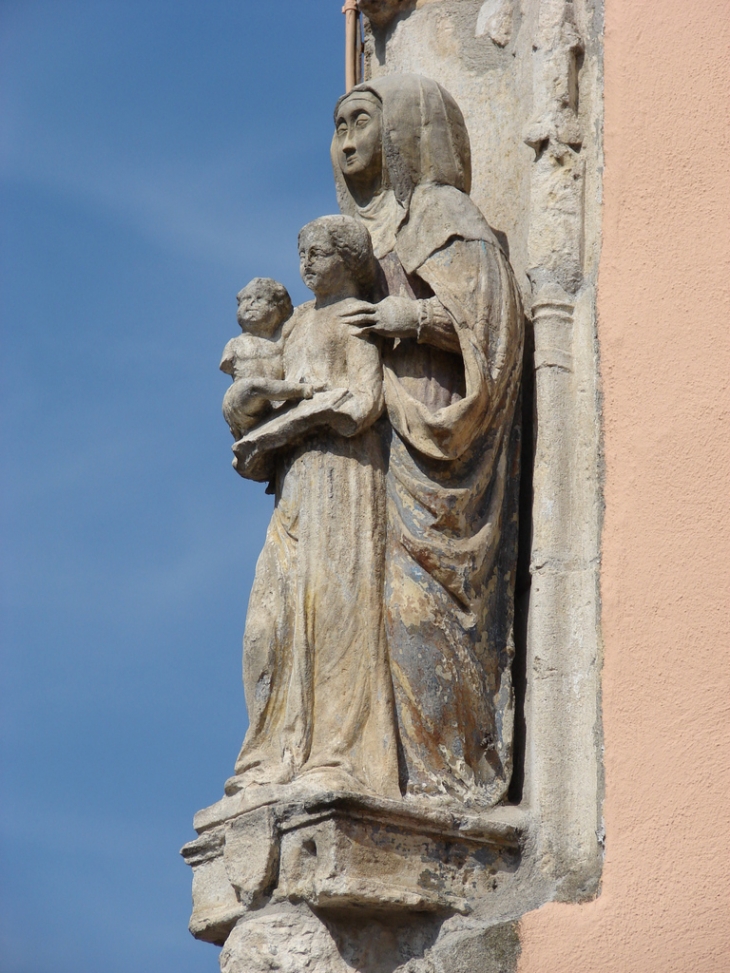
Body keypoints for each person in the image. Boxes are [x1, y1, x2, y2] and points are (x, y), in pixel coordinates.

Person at [328, 74, 525, 808]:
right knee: (366, 611)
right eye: (340, 123)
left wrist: (405, 321)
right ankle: (387, 773)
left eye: (363, 120)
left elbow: (489, 322)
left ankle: (450, 781)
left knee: (426, 609)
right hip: (375, 443)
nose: (347, 137)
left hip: (436, 426)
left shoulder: (443, 211)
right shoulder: (357, 232)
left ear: (406, 130)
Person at [225, 215, 400, 803]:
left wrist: (282, 429)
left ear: (348, 259)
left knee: (336, 615)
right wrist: (248, 410)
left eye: (318, 252)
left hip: (344, 480)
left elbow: (359, 401)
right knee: (267, 624)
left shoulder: (355, 317)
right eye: (301, 252)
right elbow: (257, 399)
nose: (305, 264)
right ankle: (271, 753)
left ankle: (338, 754)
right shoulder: (298, 321)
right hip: (295, 487)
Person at [220, 277, 315, 442]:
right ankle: (302, 390)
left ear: (277, 307)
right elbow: (227, 367)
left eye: (259, 299)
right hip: (241, 400)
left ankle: (293, 393)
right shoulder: (235, 343)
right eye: (246, 300)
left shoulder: (280, 338)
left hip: (272, 404)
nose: (250, 305)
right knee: (253, 386)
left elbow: (302, 311)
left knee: (261, 388)